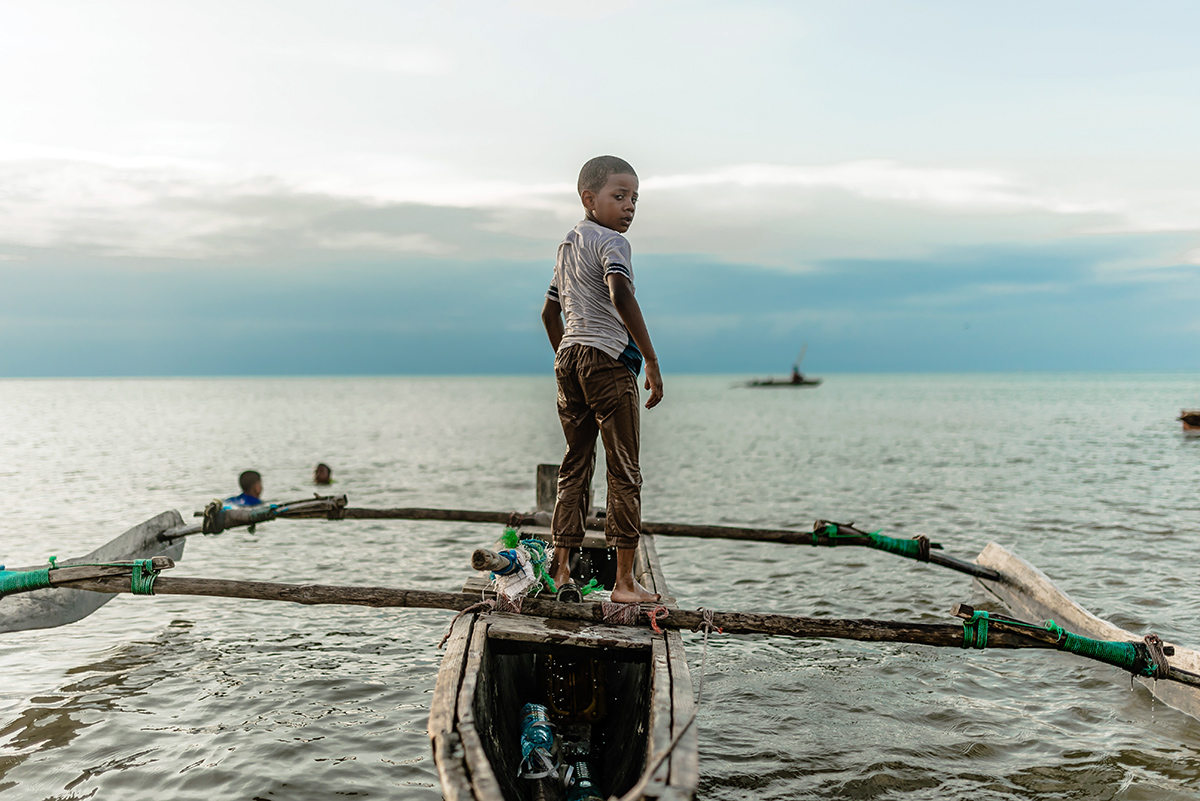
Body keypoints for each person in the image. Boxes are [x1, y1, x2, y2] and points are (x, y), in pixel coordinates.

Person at [540, 155, 664, 605]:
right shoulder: (612, 242)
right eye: (619, 196)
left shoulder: (567, 246)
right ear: (589, 199)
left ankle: (560, 570)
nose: (629, 206)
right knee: (624, 469)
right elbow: (620, 292)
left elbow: (549, 313)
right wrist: (649, 358)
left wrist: (567, 358)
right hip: (608, 361)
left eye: (634, 198)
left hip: (569, 356)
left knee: (575, 464)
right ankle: (625, 583)